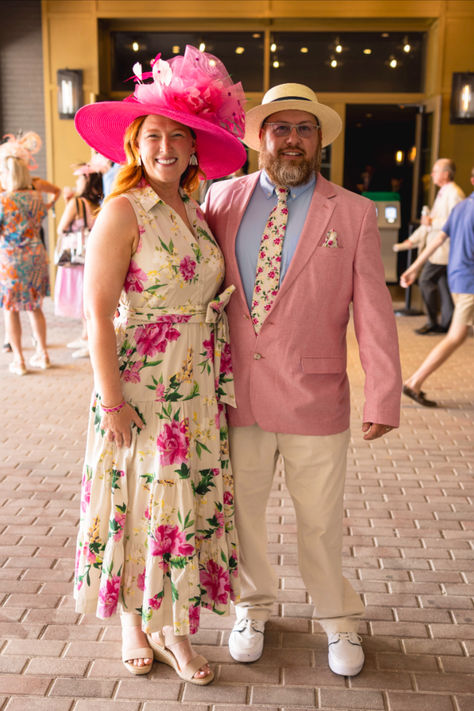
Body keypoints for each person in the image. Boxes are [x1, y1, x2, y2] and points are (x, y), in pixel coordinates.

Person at [203, 83, 402, 677]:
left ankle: (339, 620)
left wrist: (384, 392)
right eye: (280, 128)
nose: (292, 139)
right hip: (235, 394)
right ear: (260, 138)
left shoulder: (354, 211)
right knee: (243, 516)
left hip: (316, 394)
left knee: (320, 519)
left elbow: (373, 309)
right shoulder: (220, 199)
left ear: (318, 140)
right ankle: (252, 606)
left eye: (304, 129)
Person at [73, 45, 246, 682]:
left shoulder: (198, 216)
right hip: (141, 389)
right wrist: (112, 401)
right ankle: (133, 623)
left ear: (197, 149)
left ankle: (176, 630)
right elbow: (96, 316)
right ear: (134, 144)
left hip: (195, 387)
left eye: (179, 137)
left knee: (181, 506)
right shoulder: (121, 211)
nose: (166, 147)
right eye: (154, 136)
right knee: (142, 502)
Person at [400, 167, 474, 407]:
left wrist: (414, 268)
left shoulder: (461, 207)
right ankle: (414, 382)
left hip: (458, 279)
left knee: (457, 335)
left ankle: (415, 382)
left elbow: (438, 239)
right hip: (469, 284)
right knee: (455, 336)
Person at [394, 159, 464, 334]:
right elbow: (428, 224)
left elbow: (454, 222)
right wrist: (413, 240)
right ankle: (446, 323)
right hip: (439, 250)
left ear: (446, 174)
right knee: (444, 287)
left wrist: (432, 222)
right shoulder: (443, 192)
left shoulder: (454, 194)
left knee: (425, 280)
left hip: (443, 250)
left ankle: (433, 322)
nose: (431, 174)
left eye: (435, 171)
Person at [0, 150, 51, 374]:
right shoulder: (36, 197)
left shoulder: (4, 200)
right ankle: (43, 353)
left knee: (10, 308)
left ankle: (19, 359)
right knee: (35, 306)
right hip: (36, 255)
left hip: (11, 258)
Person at [55, 160, 105, 359]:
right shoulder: (98, 203)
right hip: (92, 257)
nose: (76, 184)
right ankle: (85, 336)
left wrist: (68, 202)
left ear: (86, 180)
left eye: (78, 179)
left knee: (80, 298)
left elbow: (62, 228)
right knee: (88, 299)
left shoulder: (76, 203)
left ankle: (89, 339)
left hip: (76, 259)